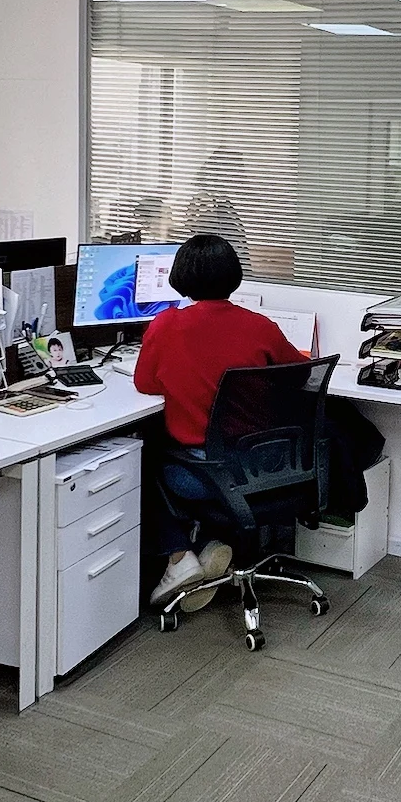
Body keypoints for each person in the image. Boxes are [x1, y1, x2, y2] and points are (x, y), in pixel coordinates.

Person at [133, 233, 308, 609]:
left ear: (180, 277)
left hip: (205, 475)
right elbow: (300, 373)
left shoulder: (166, 326)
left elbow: (145, 384)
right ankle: (209, 546)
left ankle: (179, 556)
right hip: (266, 465)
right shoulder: (259, 326)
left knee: (139, 456)